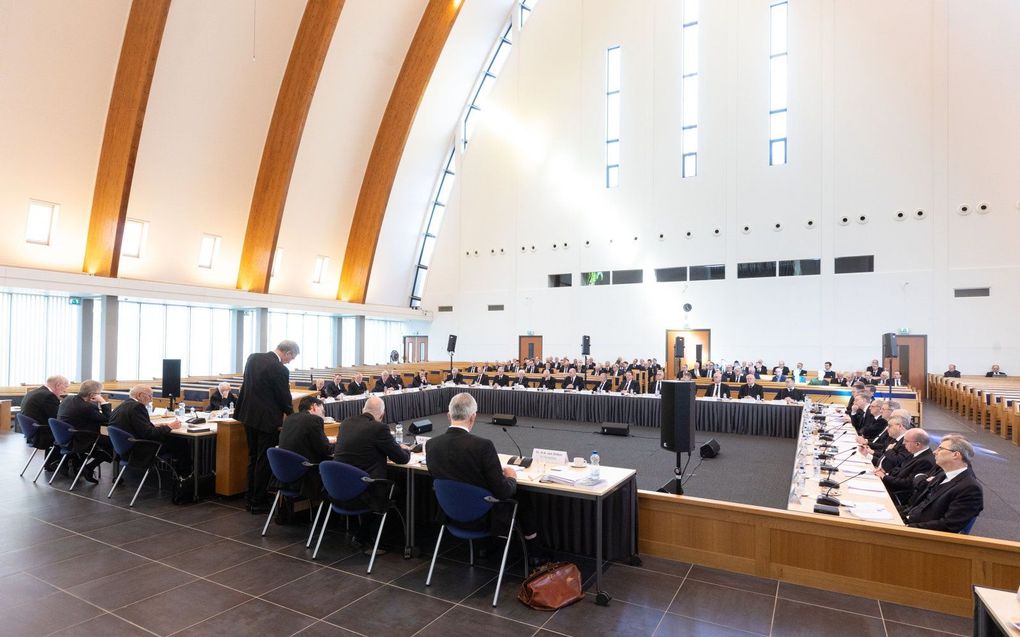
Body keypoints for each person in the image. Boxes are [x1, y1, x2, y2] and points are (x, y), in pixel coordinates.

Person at [425, 393, 542, 564]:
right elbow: (503, 492)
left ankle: (483, 547)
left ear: (449, 416)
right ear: (473, 417)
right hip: (483, 518)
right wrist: (511, 478)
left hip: (450, 514)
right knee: (522, 496)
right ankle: (535, 553)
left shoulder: (431, 444)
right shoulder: (482, 446)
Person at [332, 396, 410, 553]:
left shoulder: (346, 423)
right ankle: (373, 536)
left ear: (363, 410)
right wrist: (406, 449)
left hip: (337, 487)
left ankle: (362, 532)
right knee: (397, 490)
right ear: (382, 415)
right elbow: (401, 458)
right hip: (364, 491)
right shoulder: (379, 428)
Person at [236, 340, 299, 513]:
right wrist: (293, 417)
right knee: (263, 460)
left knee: (253, 456)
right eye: (291, 358)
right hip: (266, 420)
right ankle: (258, 501)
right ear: (287, 352)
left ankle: (249, 497)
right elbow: (283, 397)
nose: (289, 361)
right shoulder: (279, 369)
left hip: (247, 415)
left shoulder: (253, 358)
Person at [903, 436, 984, 533]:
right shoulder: (942, 475)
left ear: (955, 455)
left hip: (923, 534)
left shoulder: (970, 488)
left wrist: (907, 527)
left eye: (940, 449)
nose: (934, 452)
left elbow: (948, 525)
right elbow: (922, 503)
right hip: (909, 519)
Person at [110, 385, 191, 473]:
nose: (151, 399)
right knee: (179, 441)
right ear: (140, 395)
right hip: (140, 450)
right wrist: (170, 426)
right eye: (150, 395)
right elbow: (148, 434)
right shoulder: (137, 407)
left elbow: (137, 426)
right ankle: (184, 474)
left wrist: (160, 425)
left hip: (125, 449)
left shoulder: (123, 405)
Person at [55, 380, 115, 483]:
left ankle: (80, 464)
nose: (100, 395)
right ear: (92, 395)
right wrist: (104, 402)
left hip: (64, 438)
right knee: (114, 444)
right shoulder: (87, 407)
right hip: (80, 440)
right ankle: (89, 467)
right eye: (99, 393)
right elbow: (108, 419)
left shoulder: (68, 399)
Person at [278, 395, 333, 501]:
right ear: (314, 407)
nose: (323, 416)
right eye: (323, 412)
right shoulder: (314, 420)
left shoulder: (289, 418)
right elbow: (325, 450)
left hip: (285, 473)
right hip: (306, 474)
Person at [20, 374, 70, 471]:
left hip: (33, 431)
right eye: (65, 386)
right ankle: (61, 465)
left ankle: (54, 463)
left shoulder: (34, 392)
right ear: (58, 385)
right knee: (75, 435)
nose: (65, 390)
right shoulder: (48, 396)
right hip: (42, 433)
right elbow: (58, 417)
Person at [880, 428, 935, 502]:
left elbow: (907, 483)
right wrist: (885, 473)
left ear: (917, 444)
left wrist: (884, 477)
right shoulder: (915, 452)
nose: (903, 443)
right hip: (892, 485)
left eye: (906, 441)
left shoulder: (925, 461)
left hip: (898, 495)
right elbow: (899, 468)